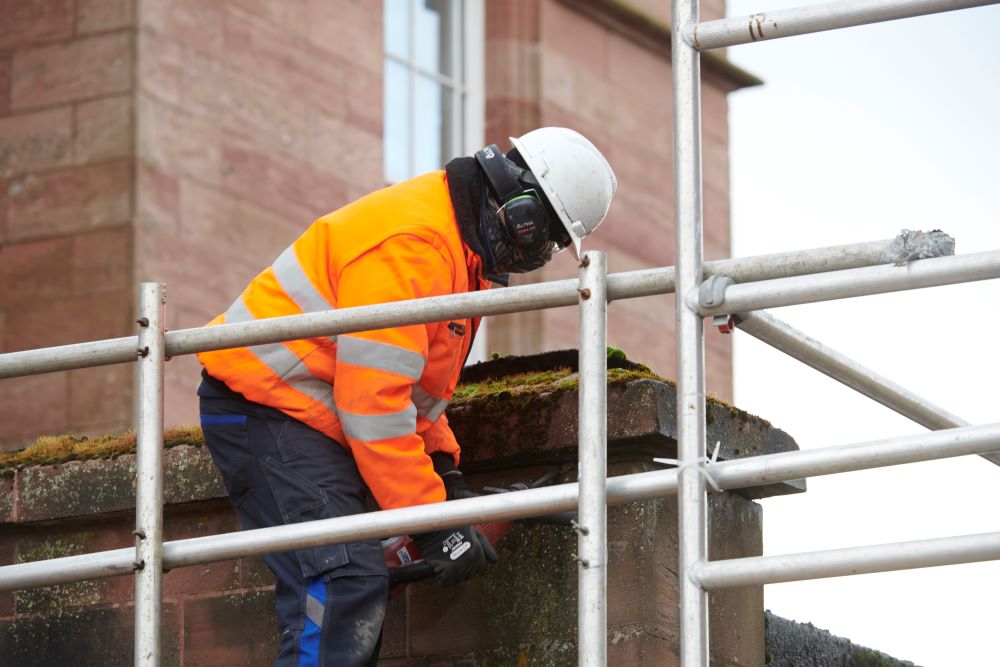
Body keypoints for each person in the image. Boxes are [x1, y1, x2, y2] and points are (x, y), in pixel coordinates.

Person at [196, 127, 617, 666]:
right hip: (262, 406)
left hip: (305, 412)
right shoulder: (416, 246)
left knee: (357, 582)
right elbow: (373, 404)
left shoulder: (465, 256)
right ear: (521, 206)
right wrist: (434, 523)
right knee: (341, 577)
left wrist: (447, 478)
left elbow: (414, 391)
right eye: (544, 237)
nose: (538, 254)